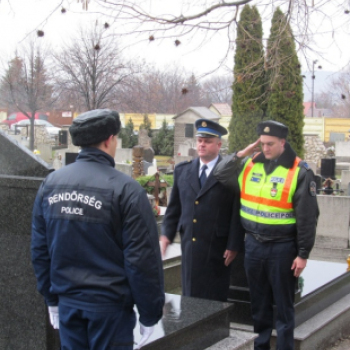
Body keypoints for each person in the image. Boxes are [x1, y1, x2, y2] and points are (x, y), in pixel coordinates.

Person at [31, 109, 165, 350]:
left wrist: (51, 298)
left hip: (68, 304)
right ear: (109, 139)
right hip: (110, 310)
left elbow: (41, 250)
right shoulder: (127, 190)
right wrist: (150, 313)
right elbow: (142, 260)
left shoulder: (50, 185)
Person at [214, 120, 319, 350]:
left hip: (283, 249)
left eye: (270, 144)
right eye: (262, 144)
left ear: (283, 142)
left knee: (283, 309)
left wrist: (303, 253)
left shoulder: (299, 171)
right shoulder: (251, 164)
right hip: (253, 246)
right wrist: (241, 154)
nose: (266, 149)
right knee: (258, 307)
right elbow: (220, 175)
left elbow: (307, 218)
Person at [160, 118, 245, 302]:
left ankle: (214, 330)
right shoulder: (183, 171)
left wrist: (234, 244)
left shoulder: (230, 173)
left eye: (207, 141)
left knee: (215, 294)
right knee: (190, 294)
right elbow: (174, 209)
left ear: (219, 144)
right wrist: (166, 234)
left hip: (218, 246)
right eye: (200, 140)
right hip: (190, 245)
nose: (202, 145)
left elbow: (236, 212)